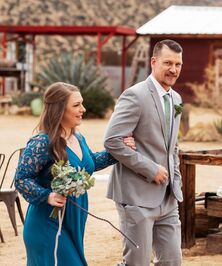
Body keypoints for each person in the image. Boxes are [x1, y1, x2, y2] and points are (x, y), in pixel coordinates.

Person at [15, 82, 135, 266]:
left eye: (82, 103)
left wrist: (119, 151)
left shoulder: (77, 138)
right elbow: (22, 179)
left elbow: (91, 163)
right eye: (76, 105)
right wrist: (48, 195)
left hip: (73, 221)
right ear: (59, 109)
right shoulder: (41, 142)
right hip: (48, 222)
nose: (83, 109)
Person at [104, 39, 184, 266]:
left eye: (178, 64)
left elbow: (172, 146)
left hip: (168, 198)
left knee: (172, 261)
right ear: (154, 62)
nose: (173, 69)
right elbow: (112, 140)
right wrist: (150, 169)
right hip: (136, 197)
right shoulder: (135, 95)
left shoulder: (176, 99)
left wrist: (175, 181)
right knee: (136, 263)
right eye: (168, 62)